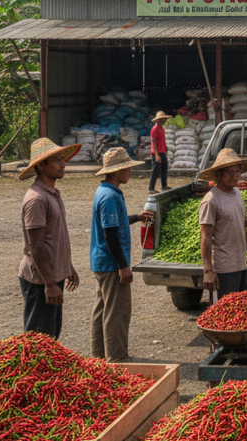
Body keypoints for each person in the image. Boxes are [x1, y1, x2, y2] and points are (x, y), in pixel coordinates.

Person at [89, 148, 154, 362]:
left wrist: (136, 217)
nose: (130, 172)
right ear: (118, 171)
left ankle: (99, 357)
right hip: (111, 264)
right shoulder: (109, 196)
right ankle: (116, 358)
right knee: (117, 312)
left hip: (102, 262)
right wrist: (123, 266)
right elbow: (111, 235)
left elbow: (114, 221)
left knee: (102, 309)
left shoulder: (106, 191)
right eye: (128, 168)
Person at [18, 138, 82, 340]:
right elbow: (36, 245)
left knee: (51, 337)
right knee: (38, 342)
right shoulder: (37, 199)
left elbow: (54, 238)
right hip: (40, 280)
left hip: (52, 276)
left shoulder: (52, 193)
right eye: (56, 160)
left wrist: (67, 266)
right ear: (41, 165)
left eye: (63, 159)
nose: (63, 164)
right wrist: (49, 284)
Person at [198, 149, 247, 299]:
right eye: (230, 172)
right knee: (225, 317)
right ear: (219, 174)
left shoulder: (237, 193)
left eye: (237, 171)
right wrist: (208, 271)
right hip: (223, 270)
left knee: (244, 311)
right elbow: (205, 238)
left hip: (241, 265)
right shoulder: (211, 200)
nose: (235, 176)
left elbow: (240, 223)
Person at [148, 111, 171, 194]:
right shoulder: (154, 129)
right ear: (158, 120)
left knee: (164, 168)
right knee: (155, 170)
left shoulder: (161, 129)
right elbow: (153, 142)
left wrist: (165, 148)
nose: (163, 121)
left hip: (162, 151)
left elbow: (162, 141)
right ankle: (151, 188)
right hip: (157, 153)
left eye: (164, 119)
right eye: (161, 119)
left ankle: (164, 185)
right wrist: (156, 155)